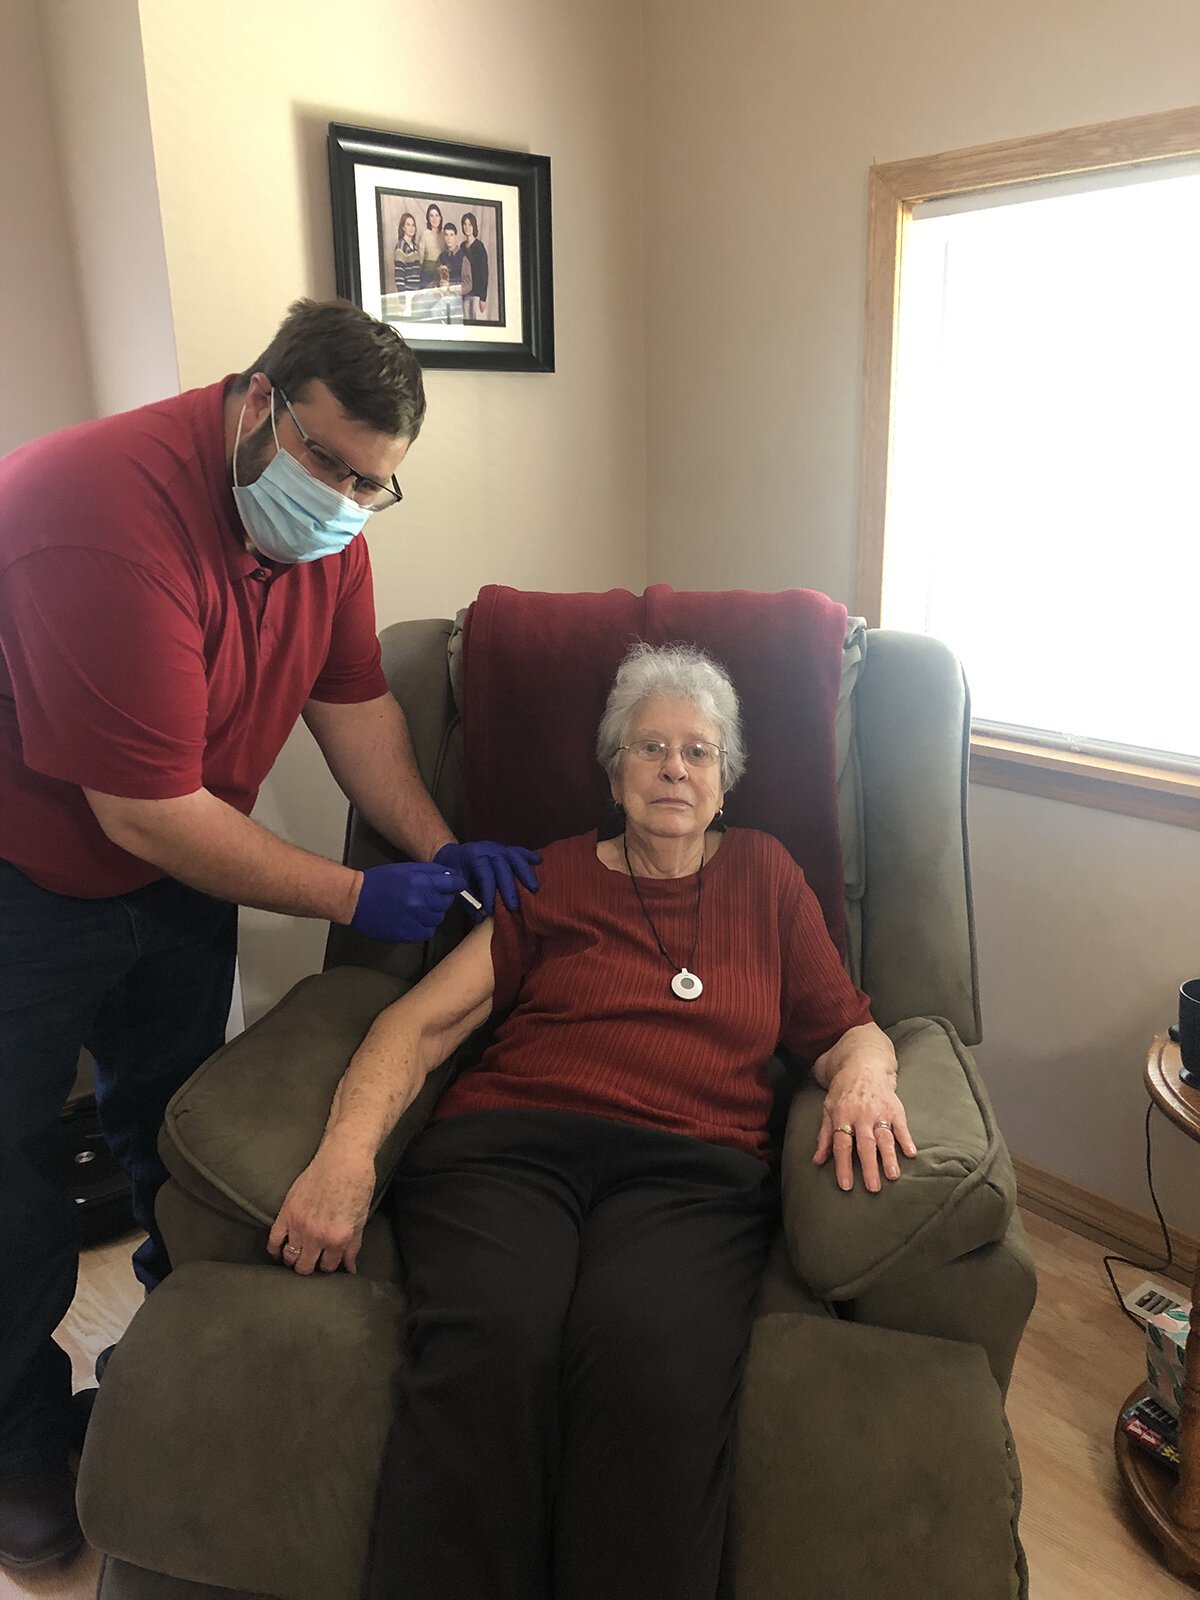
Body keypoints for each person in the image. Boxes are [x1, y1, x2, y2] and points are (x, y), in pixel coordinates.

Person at [0, 297, 540, 1572]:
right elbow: (142, 812)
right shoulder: (97, 515)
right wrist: (360, 899)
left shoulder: (325, 529)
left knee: (170, 1126)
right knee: (9, 1175)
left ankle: (159, 1371)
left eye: (373, 483)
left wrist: (433, 844)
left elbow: (352, 706)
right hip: (26, 879)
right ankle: (22, 1438)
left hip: (172, 879)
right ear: (257, 402)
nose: (347, 499)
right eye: (330, 464)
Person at [269, 642, 914, 1600]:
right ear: (613, 772)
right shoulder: (555, 878)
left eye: (698, 753)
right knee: (493, 1337)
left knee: (653, 1361)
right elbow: (418, 1023)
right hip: (508, 1152)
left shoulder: (770, 879)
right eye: (650, 748)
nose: (674, 769)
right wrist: (346, 1156)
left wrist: (866, 1081)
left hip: (692, 1174)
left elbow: (848, 1032)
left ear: (726, 782)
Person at [460, 211, 489, 323]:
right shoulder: (462, 247)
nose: (467, 227)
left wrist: (483, 298)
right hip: (466, 294)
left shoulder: (479, 246)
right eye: (465, 224)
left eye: (470, 224)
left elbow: (484, 272)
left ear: (474, 226)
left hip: (477, 294)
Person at [391, 212, 420, 296]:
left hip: (416, 293)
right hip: (407, 293)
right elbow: (399, 274)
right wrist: (402, 297)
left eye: (413, 225)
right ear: (403, 228)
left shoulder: (415, 247)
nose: (411, 228)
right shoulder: (401, 246)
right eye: (408, 225)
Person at [417, 203, 445, 287]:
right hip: (426, 277)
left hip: (441, 276)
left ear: (440, 218)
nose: (434, 219)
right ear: (428, 218)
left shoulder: (444, 235)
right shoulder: (424, 235)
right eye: (431, 216)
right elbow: (420, 260)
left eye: (437, 215)